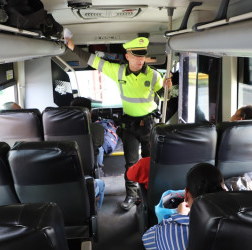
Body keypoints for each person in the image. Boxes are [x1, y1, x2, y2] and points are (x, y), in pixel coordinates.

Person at [65, 35, 172, 211]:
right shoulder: (119, 71)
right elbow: (94, 61)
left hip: (149, 124)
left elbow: (164, 96)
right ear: (128, 55)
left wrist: (168, 87)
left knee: (150, 161)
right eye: (136, 56)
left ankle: (151, 192)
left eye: (142, 56)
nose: (140, 60)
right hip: (129, 125)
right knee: (131, 163)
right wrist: (72, 47)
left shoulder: (154, 75)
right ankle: (131, 195)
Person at [142, 163, 225, 250]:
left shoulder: (167, 232)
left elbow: (147, 239)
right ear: (224, 192)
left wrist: (178, 216)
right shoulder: (238, 226)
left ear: (186, 194)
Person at [70, 97, 105, 168]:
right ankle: (99, 167)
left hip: (66, 166)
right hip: (88, 167)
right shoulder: (97, 128)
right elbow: (99, 143)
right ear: (89, 112)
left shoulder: (57, 128)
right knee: (100, 149)